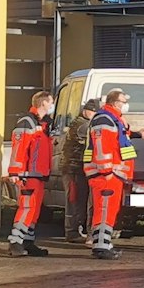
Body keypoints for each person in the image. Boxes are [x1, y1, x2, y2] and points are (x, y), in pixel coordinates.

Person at [84, 88, 137, 260]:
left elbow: (120, 140)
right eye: (123, 102)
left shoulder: (113, 119)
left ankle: (103, 243)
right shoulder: (105, 119)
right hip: (106, 174)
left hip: (113, 173)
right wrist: (106, 170)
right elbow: (102, 147)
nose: (125, 105)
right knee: (104, 209)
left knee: (108, 210)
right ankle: (101, 246)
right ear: (115, 103)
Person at [6, 90, 56, 257]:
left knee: (34, 210)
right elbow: (18, 149)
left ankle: (28, 241)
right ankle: (15, 242)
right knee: (27, 208)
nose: (52, 105)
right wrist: (15, 172)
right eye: (50, 102)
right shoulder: (26, 122)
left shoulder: (42, 124)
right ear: (43, 103)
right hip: (27, 175)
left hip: (38, 174)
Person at [58, 99, 100, 237]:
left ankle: (75, 230)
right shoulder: (82, 125)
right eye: (92, 111)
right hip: (73, 168)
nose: (94, 114)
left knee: (79, 201)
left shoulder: (82, 123)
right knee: (74, 200)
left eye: (96, 112)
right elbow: (95, 136)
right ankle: (72, 232)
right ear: (85, 110)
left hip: (77, 168)